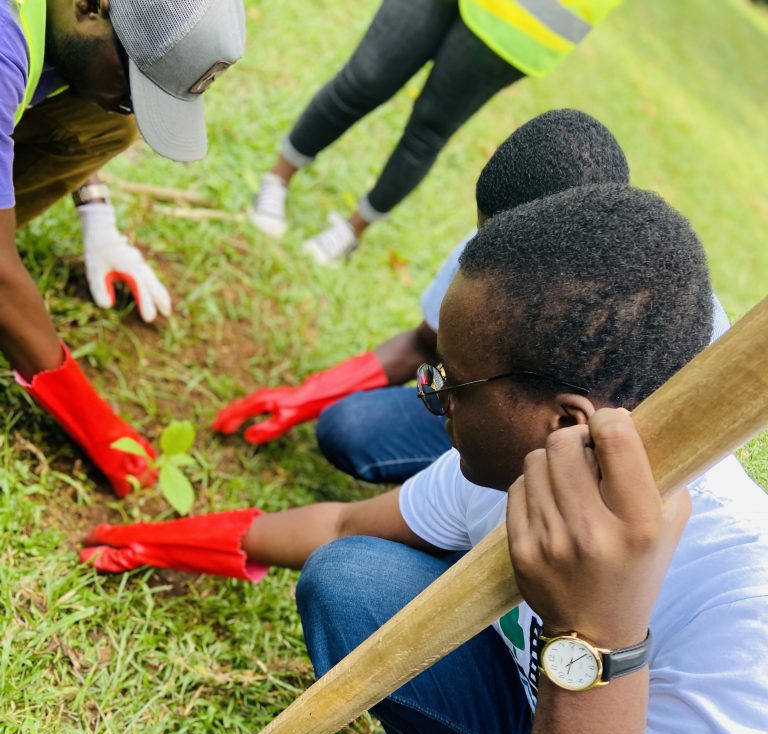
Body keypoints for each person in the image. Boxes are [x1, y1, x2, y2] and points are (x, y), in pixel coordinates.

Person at [81, 184, 768, 734]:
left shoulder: (744, 609)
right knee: (352, 577)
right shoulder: (546, 461)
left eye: (450, 383)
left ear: (564, 418)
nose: (428, 394)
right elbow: (340, 522)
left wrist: (598, 637)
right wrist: (177, 538)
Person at [220, 108, 731, 484]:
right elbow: (424, 347)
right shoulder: (497, 247)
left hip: (586, 477)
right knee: (351, 427)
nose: (484, 252)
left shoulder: (677, 326)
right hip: (493, 422)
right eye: (485, 239)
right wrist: (306, 395)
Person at [2, 0, 245, 495]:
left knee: (105, 118)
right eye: (134, 86)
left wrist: (98, 219)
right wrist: (97, 426)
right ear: (92, 5)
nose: (129, 102)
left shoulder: (66, 21)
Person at [249, 0, 622, 264]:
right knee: (363, 79)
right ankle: (277, 178)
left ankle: (351, 231)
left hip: (522, 21)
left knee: (428, 129)